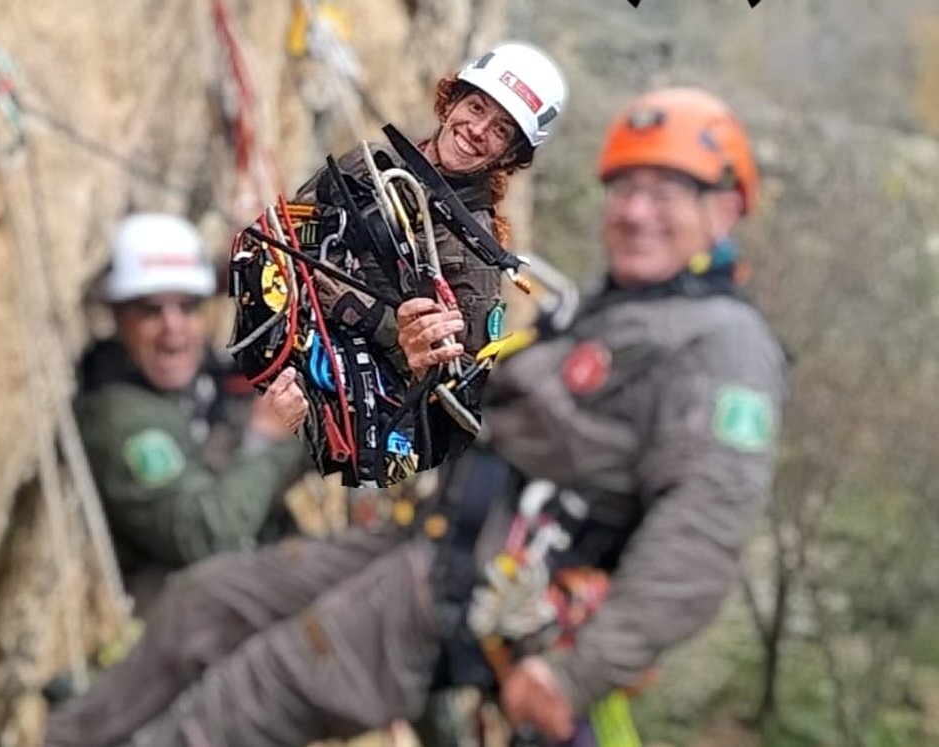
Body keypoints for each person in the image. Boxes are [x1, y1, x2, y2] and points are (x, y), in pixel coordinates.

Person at [76, 86, 788, 747]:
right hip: (432, 539)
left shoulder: (721, 346)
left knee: (250, 691)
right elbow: (469, 417)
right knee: (209, 601)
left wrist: (579, 672)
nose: (636, 211)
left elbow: (702, 531)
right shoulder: (609, 312)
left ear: (725, 211)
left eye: (667, 193)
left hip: (485, 596)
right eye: (626, 189)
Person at [230, 41, 569, 486]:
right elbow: (285, 230)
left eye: (501, 129)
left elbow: (454, 407)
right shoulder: (369, 163)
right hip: (265, 350)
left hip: (337, 423)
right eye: (476, 106)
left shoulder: (474, 259)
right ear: (451, 102)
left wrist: (379, 324)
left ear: (508, 155)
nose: (477, 129)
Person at [70, 212, 309, 613]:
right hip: (189, 622)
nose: (173, 328)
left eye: (188, 307)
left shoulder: (208, 383)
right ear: (119, 318)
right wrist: (266, 438)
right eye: (151, 311)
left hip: (253, 589)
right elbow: (207, 536)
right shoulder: (121, 417)